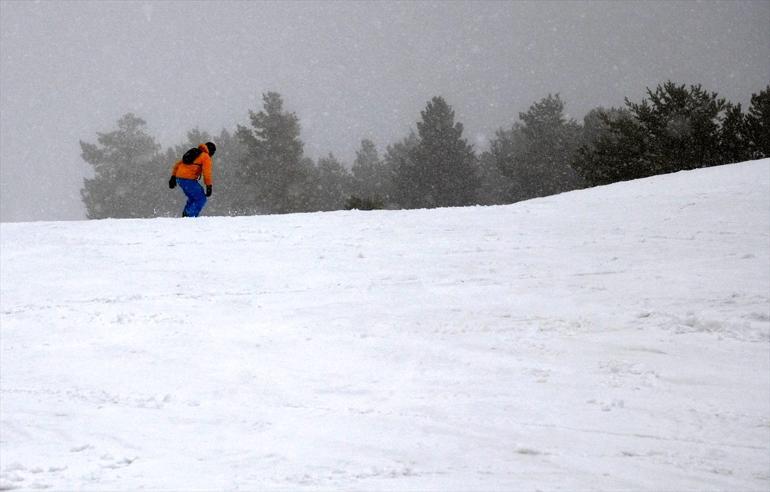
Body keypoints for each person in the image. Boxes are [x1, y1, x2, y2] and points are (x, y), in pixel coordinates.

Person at [168, 142, 216, 217]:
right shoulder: (206, 156)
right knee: (201, 198)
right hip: (188, 180)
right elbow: (207, 173)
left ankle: (186, 214)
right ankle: (189, 216)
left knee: (193, 197)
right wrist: (209, 186)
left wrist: (173, 177)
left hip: (180, 179)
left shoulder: (195, 153)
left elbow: (178, 164)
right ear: (211, 151)